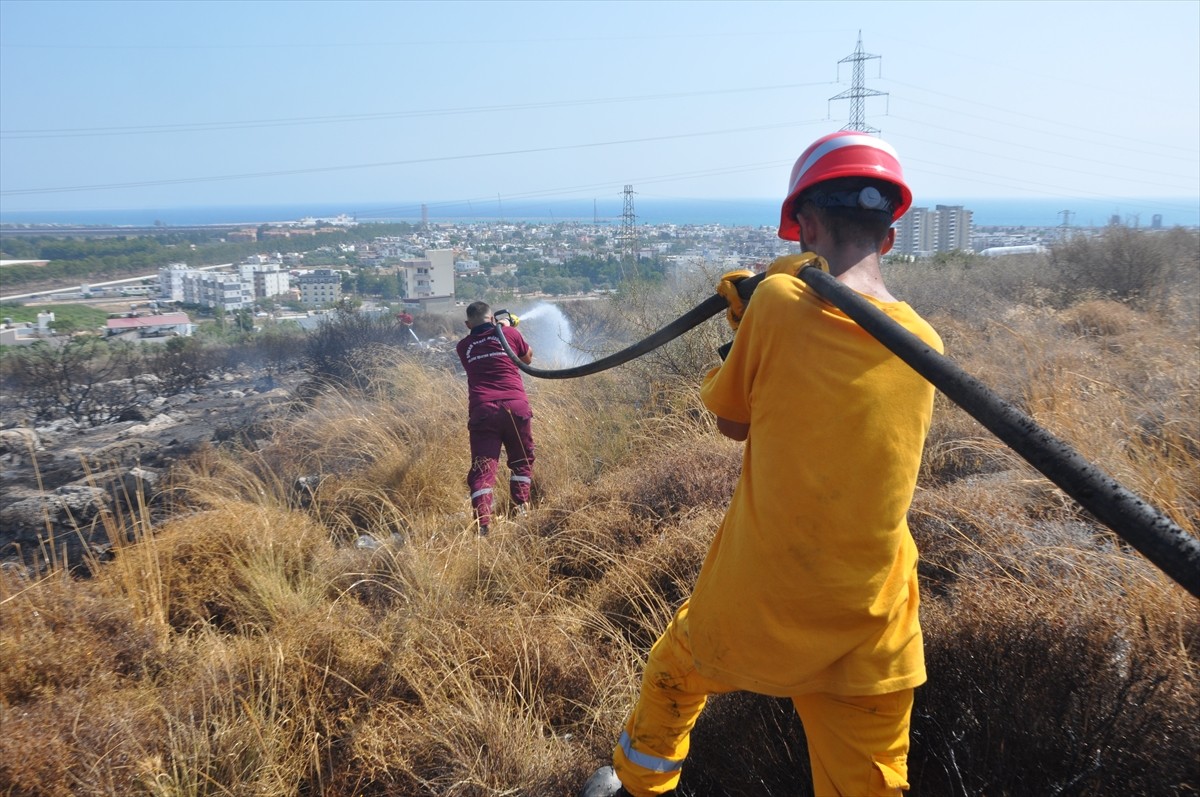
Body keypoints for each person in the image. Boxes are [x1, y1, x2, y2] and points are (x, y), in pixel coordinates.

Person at [581, 132, 943, 797]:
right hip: (872, 624)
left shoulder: (777, 305)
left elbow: (731, 423)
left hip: (762, 603)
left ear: (804, 224)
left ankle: (637, 785)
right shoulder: (926, 343)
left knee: (675, 672)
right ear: (888, 236)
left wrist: (751, 319)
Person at [455, 301, 536, 535]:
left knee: (483, 470)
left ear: (468, 324)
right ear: (491, 318)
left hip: (483, 411)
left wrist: (498, 327)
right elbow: (527, 359)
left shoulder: (464, 347)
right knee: (521, 460)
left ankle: (483, 526)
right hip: (516, 406)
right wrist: (506, 327)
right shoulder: (509, 333)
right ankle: (522, 509)